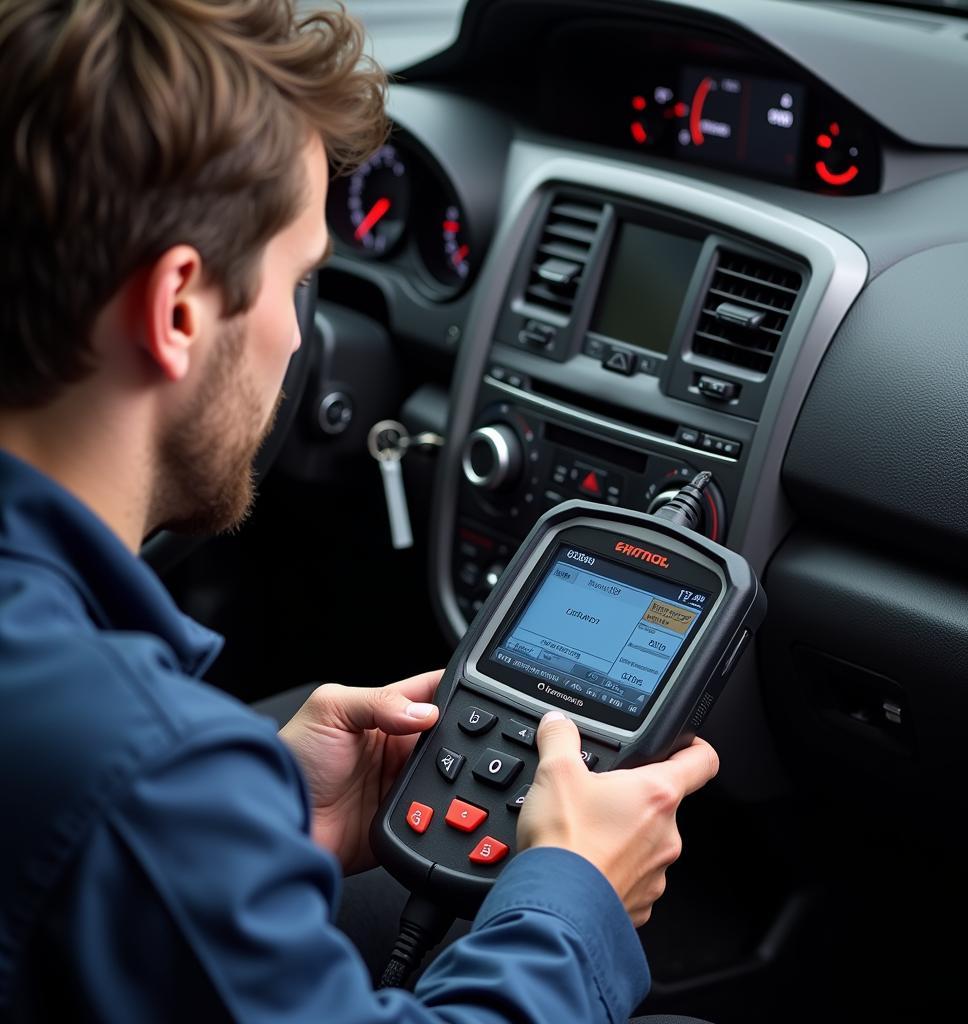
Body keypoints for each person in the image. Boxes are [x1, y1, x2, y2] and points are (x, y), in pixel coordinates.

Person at [0, 2, 719, 1021]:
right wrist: (576, 898)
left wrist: (261, 816)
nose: (298, 339)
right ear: (174, 311)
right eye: (300, 283)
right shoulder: (136, 765)